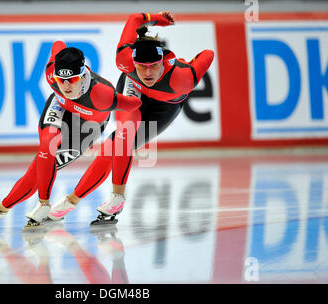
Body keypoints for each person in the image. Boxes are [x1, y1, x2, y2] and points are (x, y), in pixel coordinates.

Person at [46, 11, 215, 225]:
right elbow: (136, 18)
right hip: (132, 90)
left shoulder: (182, 79)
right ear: (132, 61)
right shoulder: (124, 61)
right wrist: (157, 19)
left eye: (154, 65)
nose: (147, 73)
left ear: (162, 61)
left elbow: (208, 54)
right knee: (121, 138)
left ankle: (89, 199)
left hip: (163, 107)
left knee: (115, 145)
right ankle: (103, 198)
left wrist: (190, 64)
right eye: (141, 66)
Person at [0, 40, 142, 230]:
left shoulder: (102, 95)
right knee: (46, 148)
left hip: (88, 125)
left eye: (71, 80)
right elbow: (58, 44)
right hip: (60, 107)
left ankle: (3, 209)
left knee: (39, 173)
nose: (65, 86)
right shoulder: (50, 72)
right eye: (60, 80)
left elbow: (133, 104)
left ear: (82, 75)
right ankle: (39, 204)